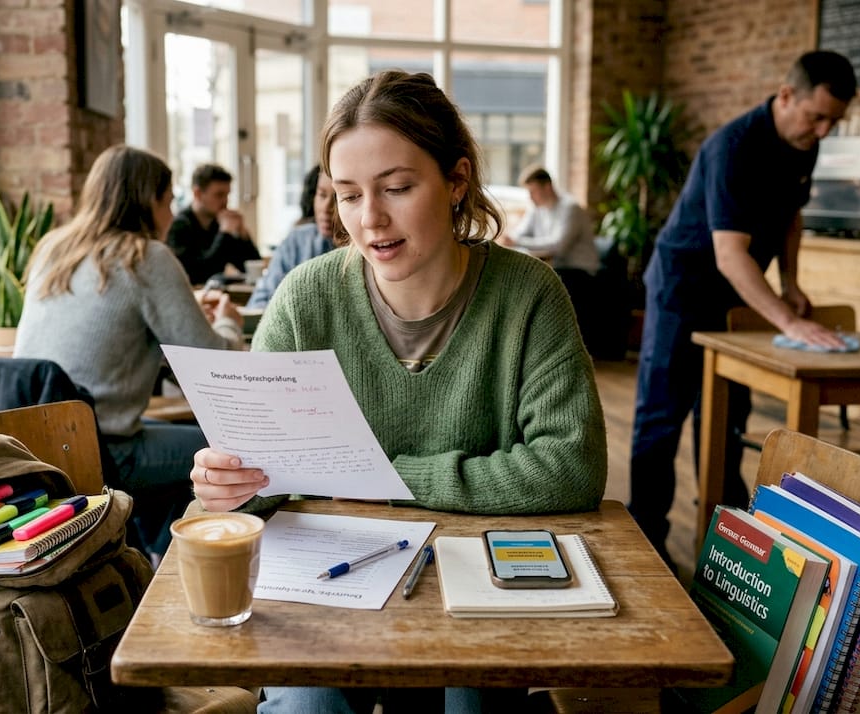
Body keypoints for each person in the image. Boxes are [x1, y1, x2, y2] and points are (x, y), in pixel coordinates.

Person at [190, 70, 608, 714]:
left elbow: (570, 467)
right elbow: (266, 478)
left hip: (476, 580)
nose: (370, 219)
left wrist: (386, 478)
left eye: (397, 188)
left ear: (457, 180)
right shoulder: (304, 300)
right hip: (326, 584)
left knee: (473, 703)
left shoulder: (529, 294)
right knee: (309, 710)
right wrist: (230, 483)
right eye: (348, 195)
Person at [628, 50, 855, 567]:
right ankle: (645, 546)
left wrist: (791, 282)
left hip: (736, 294)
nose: (822, 131)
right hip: (682, 289)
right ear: (786, 96)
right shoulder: (733, 147)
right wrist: (790, 321)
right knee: (661, 419)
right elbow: (730, 255)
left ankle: (724, 546)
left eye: (833, 122)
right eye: (816, 117)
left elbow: (792, 216)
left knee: (727, 419)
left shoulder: (804, 143)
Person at [14, 144, 245, 559]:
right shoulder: (146, 256)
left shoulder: (54, 249)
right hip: (102, 451)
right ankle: (177, 565)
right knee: (228, 453)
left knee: (175, 454)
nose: (172, 213)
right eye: (168, 200)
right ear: (147, 201)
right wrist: (229, 321)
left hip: (34, 447)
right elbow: (214, 365)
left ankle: (145, 559)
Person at [500, 165, 600, 352]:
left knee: (536, 279)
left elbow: (558, 246)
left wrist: (517, 241)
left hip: (579, 270)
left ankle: (547, 346)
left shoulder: (570, 208)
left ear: (547, 187)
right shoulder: (536, 209)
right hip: (554, 267)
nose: (530, 197)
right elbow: (518, 234)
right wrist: (511, 238)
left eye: (533, 192)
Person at [247, 165, 336, 309]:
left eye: (338, 198)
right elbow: (260, 301)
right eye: (322, 195)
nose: (326, 208)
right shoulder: (297, 241)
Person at [167, 163, 262, 284]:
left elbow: (251, 268)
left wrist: (243, 236)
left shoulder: (219, 224)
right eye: (219, 195)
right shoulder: (179, 226)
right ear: (197, 194)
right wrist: (224, 234)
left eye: (227, 195)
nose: (225, 201)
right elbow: (197, 274)